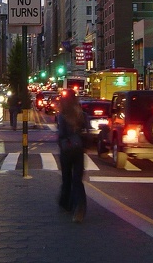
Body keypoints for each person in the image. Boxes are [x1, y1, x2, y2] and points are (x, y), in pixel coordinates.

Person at [57, 89, 89, 223]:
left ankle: (66, 202)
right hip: (78, 149)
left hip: (66, 150)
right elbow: (86, 130)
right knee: (77, 180)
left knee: (67, 178)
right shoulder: (81, 113)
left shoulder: (62, 115)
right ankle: (80, 206)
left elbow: (61, 134)